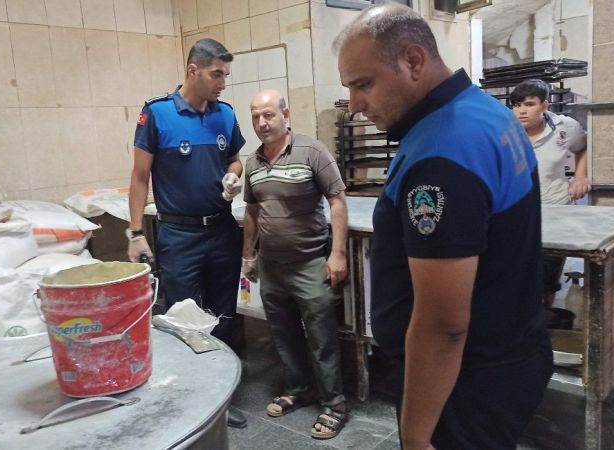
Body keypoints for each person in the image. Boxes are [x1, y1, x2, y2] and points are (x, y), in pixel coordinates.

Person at [334, 4, 552, 450]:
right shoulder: (482, 111)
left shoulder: (441, 154)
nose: (355, 105)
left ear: (413, 61)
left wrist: (416, 436)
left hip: (466, 381)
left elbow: (443, 324)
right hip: (507, 355)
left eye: (363, 84)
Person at [127, 38, 247, 428]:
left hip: (222, 230)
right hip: (179, 236)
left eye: (226, 75)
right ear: (193, 71)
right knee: (183, 318)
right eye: (217, 74)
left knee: (223, 315)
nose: (223, 83)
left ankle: (221, 397)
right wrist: (134, 232)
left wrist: (233, 176)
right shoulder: (158, 114)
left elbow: (236, 159)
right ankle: (191, 402)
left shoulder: (225, 115)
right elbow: (139, 177)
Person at [242, 89, 349, 439]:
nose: (262, 122)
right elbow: (252, 211)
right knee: (283, 333)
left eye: (268, 114)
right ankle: (298, 389)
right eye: (256, 116)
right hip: (272, 266)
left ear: (285, 115)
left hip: (310, 263)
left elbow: (337, 200)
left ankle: (334, 403)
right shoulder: (253, 163)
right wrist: (248, 255)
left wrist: (337, 253)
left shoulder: (311, 151)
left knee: (321, 337)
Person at [510, 79, 590, 306]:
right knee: (518, 275)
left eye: (529, 104)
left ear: (544, 105)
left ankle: (547, 315)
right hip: (520, 213)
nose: (521, 111)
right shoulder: (505, 131)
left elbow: (583, 147)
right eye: (516, 105)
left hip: (557, 209)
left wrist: (580, 176)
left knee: (548, 277)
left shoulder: (566, 127)